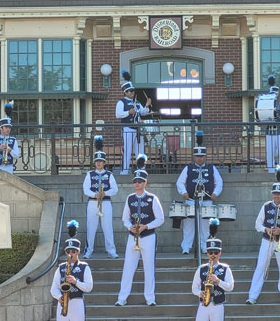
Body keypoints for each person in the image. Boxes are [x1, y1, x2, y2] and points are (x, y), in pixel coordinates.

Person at [183, 219, 234, 321]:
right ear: (207, 253)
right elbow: (193, 287)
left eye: (215, 253)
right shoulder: (202, 268)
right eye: (210, 253)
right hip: (203, 306)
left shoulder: (225, 269)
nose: (212, 255)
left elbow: (230, 286)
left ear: (220, 253)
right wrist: (200, 293)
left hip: (218, 305)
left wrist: (218, 281)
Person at [115, 154, 164, 306]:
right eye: (135, 181)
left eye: (140, 181)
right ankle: (122, 298)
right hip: (132, 236)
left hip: (148, 236)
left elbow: (160, 218)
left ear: (145, 182)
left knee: (149, 268)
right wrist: (129, 226)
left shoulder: (152, 198)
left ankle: (150, 298)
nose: (137, 184)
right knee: (128, 267)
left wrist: (146, 226)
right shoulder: (130, 198)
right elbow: (124, 218)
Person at [246, 166, 280, 305]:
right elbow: (257, 224)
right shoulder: (266, 206)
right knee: (261, 266)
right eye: (274, 193)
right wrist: (266, 229)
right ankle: (252, 296)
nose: (276, 196)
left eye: (279, 194)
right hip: (267, 241)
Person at [50, 220, 93, 321]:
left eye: (73, 251)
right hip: (63, 304)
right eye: (68, 252)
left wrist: (76, 282)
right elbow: (53, 288)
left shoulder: (84, 267)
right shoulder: (61, 268)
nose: (71, 254)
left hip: (77, 303)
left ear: (78, 252)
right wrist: (59, 298)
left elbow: (89, 287)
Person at [176, 131, 223, 254]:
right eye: (197, 156)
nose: (199, 158)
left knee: (205, 226)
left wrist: (215, 193)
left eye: (201, 156)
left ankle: (204, 247)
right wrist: (184, 192)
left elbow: (219, 182)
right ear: (194, 156)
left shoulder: (212, 168)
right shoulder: (189, 168)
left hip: (207, 201)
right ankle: (186, 247)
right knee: (188, 225)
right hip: (191, 201)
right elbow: (180, 182)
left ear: (205, 156)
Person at [82, 135, 119, 259]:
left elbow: (115, 189)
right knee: (91, 227)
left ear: (104, 163)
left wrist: (105, 193)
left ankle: (111, 251)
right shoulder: (89, 174)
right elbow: (85, 189)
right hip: (92, 203)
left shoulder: (109, 174)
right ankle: (88, 251)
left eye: (101, 161)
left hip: (106, 202)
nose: (99, 163)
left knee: (107, 227)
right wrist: (94, 194)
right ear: (95, 163)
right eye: (97, 161)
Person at [115, 70, 151, 175]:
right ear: (125, 92)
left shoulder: (137, 102)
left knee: (140, 151)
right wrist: (128, 112)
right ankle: (124, 171)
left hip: (137, 129)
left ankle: (141, 170)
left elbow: (142, 112)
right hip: (127, 128)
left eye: (133, 91)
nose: (132, 93)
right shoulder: (121, 102)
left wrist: (147, 105)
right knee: (127, 150)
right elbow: (118, 114)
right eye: (130, 91)